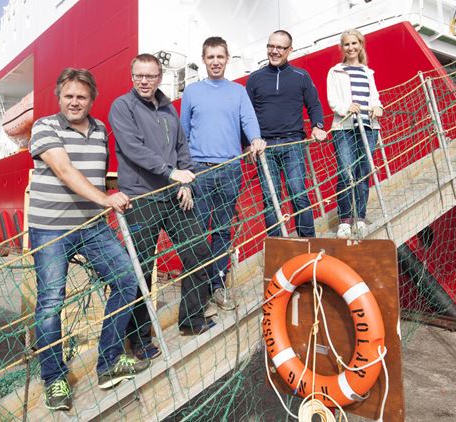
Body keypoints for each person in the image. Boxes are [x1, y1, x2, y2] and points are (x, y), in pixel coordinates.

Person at [29, 68, 148, 411]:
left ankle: (108, 361)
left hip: (92, 226)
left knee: (127, 280)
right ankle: (54, 380)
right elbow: (65, 171)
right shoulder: (44, 127)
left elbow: (98, 175)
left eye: (81, 96)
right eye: (69, 96)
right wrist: (105, 199)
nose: (74, 102)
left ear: (92, 99)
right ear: (59, 96)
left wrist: (117, 191)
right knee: (51, 304)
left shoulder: (99, 131)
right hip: (51, 229)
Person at [109, 54, 215, 360]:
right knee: (141, 269)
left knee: (198, 251)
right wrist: (172, 173)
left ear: (160, 77)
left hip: (174, 196)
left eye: (150, 76)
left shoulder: (168, 108)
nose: (144, 81)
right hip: (141, 198)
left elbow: (182, 148)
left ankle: (191, 320)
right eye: (139, 76)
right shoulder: (122, 106)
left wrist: (186, 183)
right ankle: (139, 339)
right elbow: (132, 149)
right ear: (132, 77)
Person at [180, 36, 266, 311]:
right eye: (210, 57)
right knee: (196, 232)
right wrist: (181, 170)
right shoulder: (192, 92)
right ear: (204, 59)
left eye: (220, 57)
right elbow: (183, 132)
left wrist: (255, 138)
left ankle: (217, 284)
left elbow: (249, 120)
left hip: (230, 169)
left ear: (227, 59)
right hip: (199, 171)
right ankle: (197, 292)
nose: (215, 62)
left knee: (222, 231)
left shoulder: (237, 91)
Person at [246, 30, 327, 238]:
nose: (274, 51)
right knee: (271, 199)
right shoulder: (254, 79)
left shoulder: (301, 76)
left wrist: (318, 125)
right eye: (270, 46)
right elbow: (246, 115)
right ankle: (276, 246)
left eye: (280, 47)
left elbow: (315, 106)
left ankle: (308, 241)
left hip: (293, 143)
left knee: (298, 193)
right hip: (264, 146)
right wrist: (246, 144)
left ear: (290, 50)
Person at [326, 29, 383, 239]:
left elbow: (374, 98)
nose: (350, 48)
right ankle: (344, 220)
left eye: (354, 44)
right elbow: (333, 100)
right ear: (342, 48)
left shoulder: (368, 72)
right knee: (345, 173)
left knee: (362, 174)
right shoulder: (335, 71)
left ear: (361, 45)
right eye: (346, 44)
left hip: (368, 127)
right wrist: (345, 108)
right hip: (345, 127)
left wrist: (378, 107)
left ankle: (359, 217)